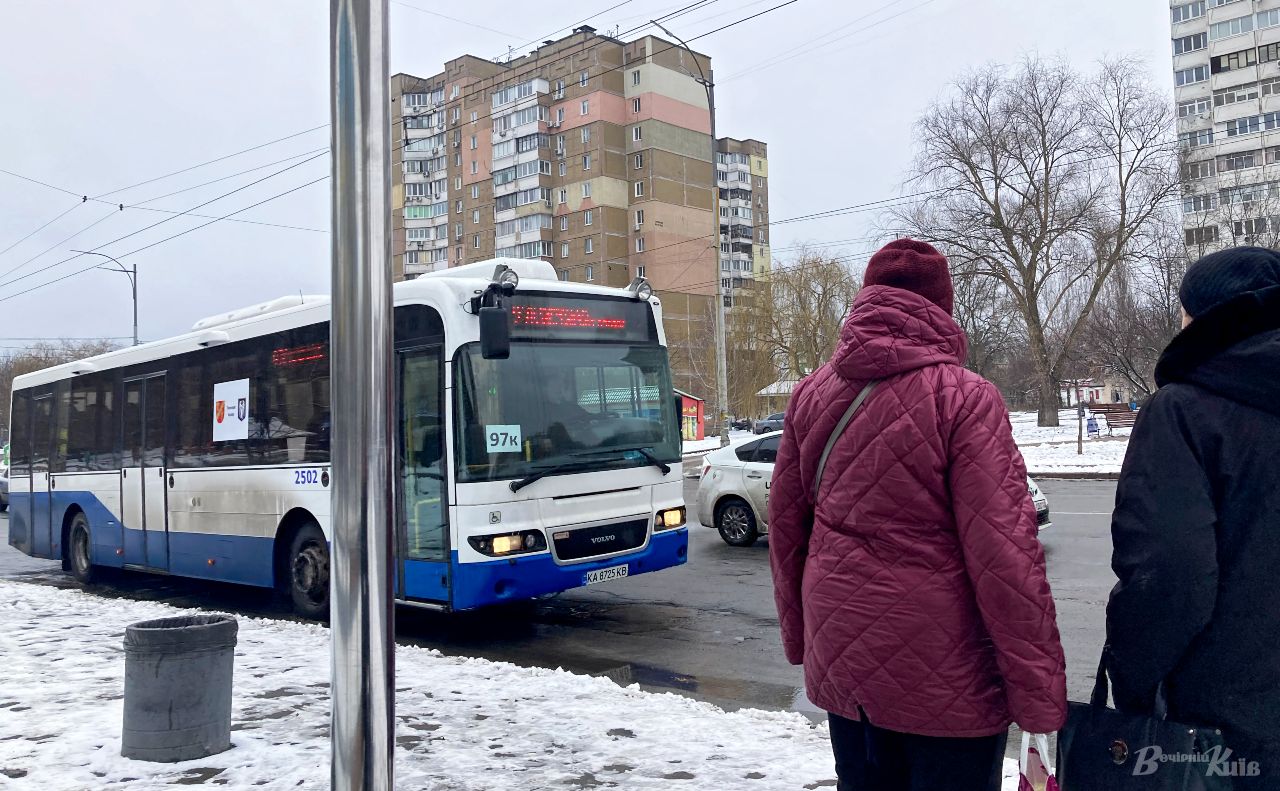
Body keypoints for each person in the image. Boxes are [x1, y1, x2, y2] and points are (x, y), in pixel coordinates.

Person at [769, 239, 1067, 791]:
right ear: (942, 307)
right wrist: (1038, 694)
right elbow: (1005, 557)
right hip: (947, 678)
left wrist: (800, 638)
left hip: (844, 660)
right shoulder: (965, 397)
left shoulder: (810, 394)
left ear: (867, 298)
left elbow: (788, 532)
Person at [1106, 246, 1280, 785]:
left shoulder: (1183, 411)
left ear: (1201, 317)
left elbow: (1169, 575)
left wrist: (1131, 680)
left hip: (1221, 730)